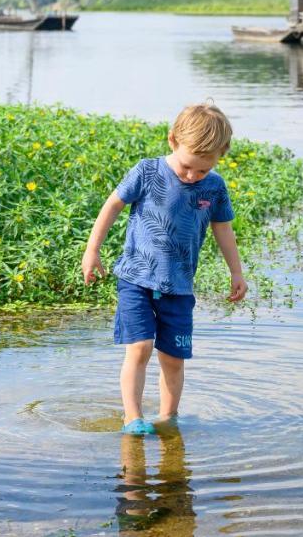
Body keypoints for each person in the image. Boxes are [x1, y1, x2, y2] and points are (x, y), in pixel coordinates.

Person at [82, 103, 247, 437]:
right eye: (188, 167)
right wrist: (92, 249)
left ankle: (168, 417)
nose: (191, 176)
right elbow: (112, 205)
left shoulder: (214, 187)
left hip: (180, 286)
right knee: (140, 348)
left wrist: (236, 272)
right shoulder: (146, 172)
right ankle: (132, 417)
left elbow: (223, 230)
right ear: (173, 141)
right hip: (136, 280)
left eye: (202, 170)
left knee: (173, 358)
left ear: (220, 156)